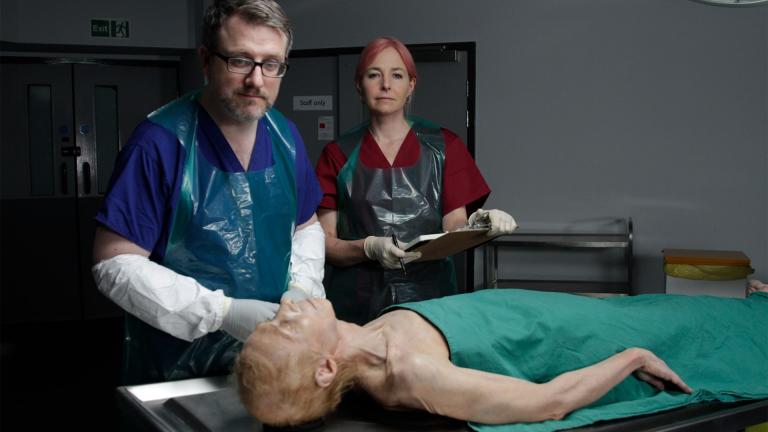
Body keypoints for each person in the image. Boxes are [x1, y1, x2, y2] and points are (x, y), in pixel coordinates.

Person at [91, 0, 325, 385]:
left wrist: (302, 287)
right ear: (205, 59)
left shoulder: (286, 137)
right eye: (240, 61)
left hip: (272, 359)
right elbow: (114, 264)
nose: (256, 80)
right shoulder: (158, 144)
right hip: (179, 366)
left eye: (271, 64)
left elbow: (306, 226)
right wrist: (222, 312)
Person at [235, 285, 768, 430]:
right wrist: (631, 357)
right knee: (700, 330)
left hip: (557, 315)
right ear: (326, 367)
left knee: (674, 309)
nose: (286, 305)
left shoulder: (356, 332)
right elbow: (547, 403)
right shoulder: (409, 373)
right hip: (586, 341)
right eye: (286, 325)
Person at [315, 36, 518, 324]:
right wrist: (368, 247)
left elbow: (454, 227)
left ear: (410, 86)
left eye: (397, 75)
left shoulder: (445, 146)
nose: (386, 84)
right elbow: (325, 243)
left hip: (430, 304)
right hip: (356, 307)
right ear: (359, 85)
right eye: (374, 74)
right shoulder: (337, 154)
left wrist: (480, 225)